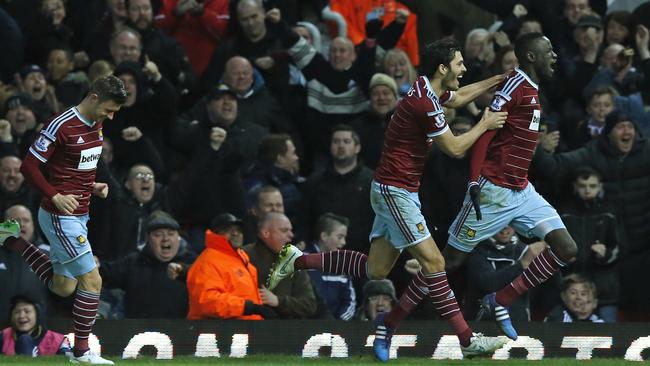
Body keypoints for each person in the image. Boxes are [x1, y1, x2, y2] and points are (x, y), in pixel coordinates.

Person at [266, 38, 509, 360]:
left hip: (397, 189)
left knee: (376, 269)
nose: (464, 69)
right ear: (442, 67)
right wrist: (485, 123)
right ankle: (467, 340)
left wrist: (497, 80)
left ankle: (296, 260)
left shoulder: (425, 87)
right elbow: (454, 148)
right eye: (460, 63)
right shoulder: (425, 103)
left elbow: (459, 97)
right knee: (435, 263)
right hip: (395, 191)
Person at [445, 32, 577, 341]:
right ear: (531, 57)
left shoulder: (531, 88)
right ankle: (395, 320)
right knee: (447, 261)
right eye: (549, 51)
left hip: (522, 190)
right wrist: (475, 180)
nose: (555, 56)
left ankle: (501, 299)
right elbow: (485, 133)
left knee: (567, 248)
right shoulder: (514, 86)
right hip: (493, 190)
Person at [0, 75, 127, 364]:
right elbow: (28, 166)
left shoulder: (97, 122)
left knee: (64, 286)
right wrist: (55, 195)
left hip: (80, 213)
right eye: (109, 109)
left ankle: (11, 240)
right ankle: (81, 352)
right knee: (92, 280)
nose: (111, 116)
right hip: (60, 215)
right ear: (93, 97)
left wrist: (91, 186)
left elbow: (77, 164)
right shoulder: (61, 125)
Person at [99, 210, 196, 318]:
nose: (165, 239)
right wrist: (92, 264)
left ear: (178, 237)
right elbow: (104, 273)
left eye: (171, 233)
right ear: (147, 239)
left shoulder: (193, 264)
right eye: (158, 235)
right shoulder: (133, 262)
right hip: (137, 332)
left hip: (181, 332)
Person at [187, 213, 276, 320]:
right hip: (220, 332)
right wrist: (246, 307)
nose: (235, 233)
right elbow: (207, 301)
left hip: (244, 331)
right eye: (227, 230)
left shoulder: (242, 260)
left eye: (238, 230)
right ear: (216, 234)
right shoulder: (208, 261)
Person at [559, 167, 620, 322]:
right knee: (564, 339)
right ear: (575, 187)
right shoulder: (564, 212)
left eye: (592, 186)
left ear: (600, 187)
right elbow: (553, 246)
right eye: (582, 186)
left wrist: (605, 254)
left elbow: (621, 246)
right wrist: (563, 258)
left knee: (609, 340)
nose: (587, 190)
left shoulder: (610, 211)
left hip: (604, 291)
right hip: (572, 290)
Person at [244, 212, 317, 319]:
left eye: (291, 230)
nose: (291, 235)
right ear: (266, 233)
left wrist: (278, 301)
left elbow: (310, 305)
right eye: (284, 230)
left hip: (286, 330)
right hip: (248, 328)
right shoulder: (244, 256)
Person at [304, 213, 356, 320]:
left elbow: (349, 302)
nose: (343, 242)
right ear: (324, 236)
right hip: (304, 328)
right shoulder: (302, 261)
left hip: (336, 330)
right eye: (339, 237)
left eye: (344, 238)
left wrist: (338, 325)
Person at [1, 295, 70, 356]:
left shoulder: (58, 340)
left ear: (38, 314)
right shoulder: (2, 337)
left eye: (27, 311)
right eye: (17, 312)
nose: (21, 316)